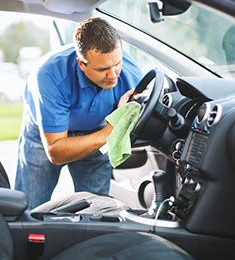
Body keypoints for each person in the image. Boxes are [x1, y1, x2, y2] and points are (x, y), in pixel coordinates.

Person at [14, 17, 142, 209]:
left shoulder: (131, 74)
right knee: (29, 209)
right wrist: (110, 131)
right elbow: (56, 151)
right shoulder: (49, 75)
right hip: (45, 136)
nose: (113, 75)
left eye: (117, 63)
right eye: (102, 69)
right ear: (82, 64)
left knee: (96, 209)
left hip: (96, 128)